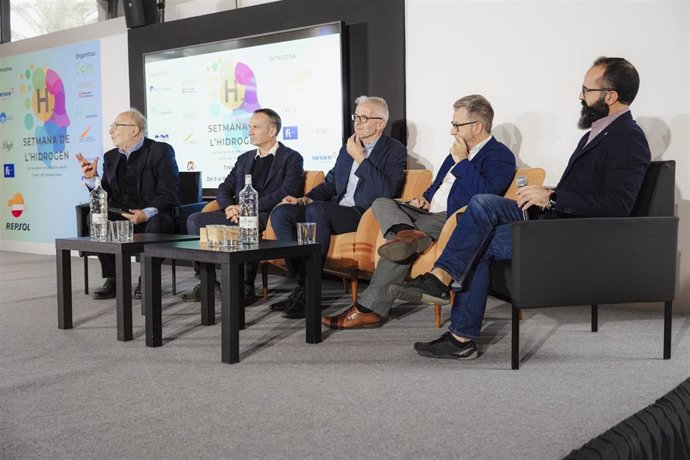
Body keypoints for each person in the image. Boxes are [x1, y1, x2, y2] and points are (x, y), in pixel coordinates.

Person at [391, 57, 651, 359]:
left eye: (585, 89)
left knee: (479, 240)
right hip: (555, 218)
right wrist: (546, 194)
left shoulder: (628, 138)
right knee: (481, 204)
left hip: (574, 234)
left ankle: (459, 334)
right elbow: (586, 190)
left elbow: (618, 206)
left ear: (610, 96)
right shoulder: (597, 133)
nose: (580, 96)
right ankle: (440, 281)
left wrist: (552, 199)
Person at [321, 95, 516, 329]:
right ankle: (407, 233)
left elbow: (484, 195)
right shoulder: (456, 150)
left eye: (457, 125)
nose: (452, 131)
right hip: (427, 213)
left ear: (477, 126)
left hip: (452, 218)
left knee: (398, 244)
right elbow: (437, 187)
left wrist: (463, 162)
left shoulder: (499, 155)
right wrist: (424, 198)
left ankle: (369, 308)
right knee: (382, 202)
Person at [270, 95, 407, 319]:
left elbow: (385, 191)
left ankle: (309, 294)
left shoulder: (394, 150)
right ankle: (304, 285)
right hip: (334, 209)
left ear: (380, 123)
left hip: (363, 215)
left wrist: (361, 159)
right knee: (283, 212)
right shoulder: (348, 147)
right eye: (356, 116)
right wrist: (305, 199)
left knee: (318, 211)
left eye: (364, 117)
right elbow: (331, 184)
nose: (358, 122)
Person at [180, 108, 304, 303]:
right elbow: (224, 187)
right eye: (249, 127)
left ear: (272, 131)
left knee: (248, 223)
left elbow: (287, 191)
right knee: (195, 220)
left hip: (266, 214)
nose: (250, 131)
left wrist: (247, 208)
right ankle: (208, 283)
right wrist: (229, 206)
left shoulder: (291, 158)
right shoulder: (244, 159)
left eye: (255, 127)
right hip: (236, 212)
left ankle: (245, 285)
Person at [76, 108, 180, 300]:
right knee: (96, 218)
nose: (111, 131)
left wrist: (146, 213)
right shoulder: (110, 157)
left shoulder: (160, 151)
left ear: (134, 130)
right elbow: (105, 196)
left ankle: (147, 278)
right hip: (122, 213)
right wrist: (93, 180)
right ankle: (114, 279)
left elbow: (169, 193)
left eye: (116, 126)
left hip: (154, 214)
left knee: (158, 223)